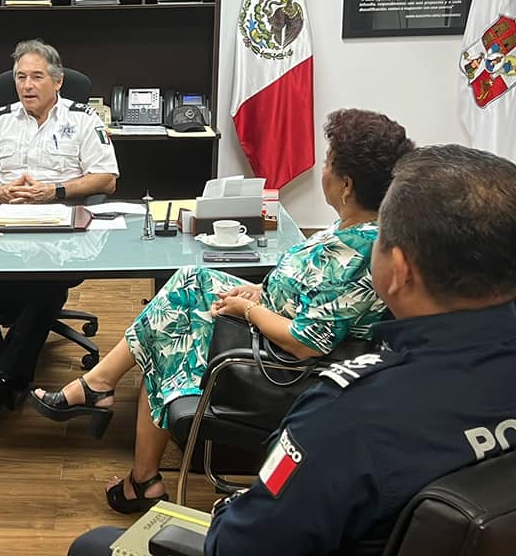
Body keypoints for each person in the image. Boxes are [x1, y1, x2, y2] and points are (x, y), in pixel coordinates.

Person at [68, 143, 516, 556]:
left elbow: (237, 547)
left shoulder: (346, 415)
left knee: (93, 546)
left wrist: (236, 504)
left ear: (398, 270)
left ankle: (104, 402)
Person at [32, 109, 413, 513]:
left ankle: (109, 412)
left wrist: (249, 312)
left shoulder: (359, 252)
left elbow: (307, 342)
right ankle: (117, 427)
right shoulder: (350, 229)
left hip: (280, 365)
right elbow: (309, 291)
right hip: (268, 322)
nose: (323, 171)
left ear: (347, 185)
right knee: (187, 286)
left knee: (168, 333)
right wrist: (260, 291)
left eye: (327, 163)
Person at [0, 38, 119, 426]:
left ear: (57, 82)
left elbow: (106, 180)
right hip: (4, 224)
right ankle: (7, 371)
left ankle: (3, 378)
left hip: (59, 229)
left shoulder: (83, 121)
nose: (27, 85)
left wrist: (53, 191)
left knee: (49, 283)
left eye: (37, 77)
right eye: (21, 77)